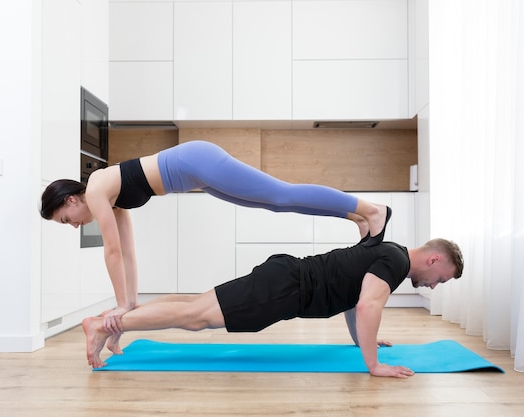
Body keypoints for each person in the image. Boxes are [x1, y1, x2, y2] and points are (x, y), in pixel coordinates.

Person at [40, 140, 391, 354]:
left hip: (197, 162)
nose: (72, 225)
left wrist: (120, 306)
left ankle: (370, 210)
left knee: (279, 193)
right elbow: (127, 252)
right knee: (275, 202)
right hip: (196, 173)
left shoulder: (98, 187)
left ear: (71, 199)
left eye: (65, 218)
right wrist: (128, 307)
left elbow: (112, 251)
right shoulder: (111, 195)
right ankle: (355, 215)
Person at [82, 238, 464, 378]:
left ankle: (114, 324)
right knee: (196, 318)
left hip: (283, 275)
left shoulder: (392, 252)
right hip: (285, 290)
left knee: (195, 307)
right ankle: (104, 326)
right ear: (433, 260)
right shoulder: (395, 263)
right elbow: (366, 306)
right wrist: (373, 365)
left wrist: (366, 341)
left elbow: (355, 305)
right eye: (441, 278)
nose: (435, 286)